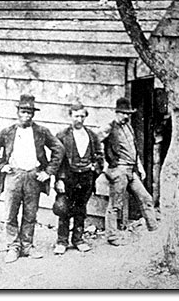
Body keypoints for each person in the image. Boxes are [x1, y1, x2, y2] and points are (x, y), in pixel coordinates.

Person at [0, 94, 65, 263]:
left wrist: (48, 172)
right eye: (23, 112)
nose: (26, 116)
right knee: (10, 214)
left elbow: (58, 149)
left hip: (33, 176)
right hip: (13, 176)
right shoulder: (8, 132)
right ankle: (13, 247)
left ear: (33, 114)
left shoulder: (41, 131)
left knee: (30, 214)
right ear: (18, 112)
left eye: (30, 112)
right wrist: (1, 166)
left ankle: (27, 246)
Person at [97, 97, 158, 246]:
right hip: (119, 170)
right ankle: (112, 237)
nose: (126, 116)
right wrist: (105, 166)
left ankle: (154, 230)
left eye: (128, 113)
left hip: (131, 170)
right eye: (123, 113)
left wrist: (140, 168)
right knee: (115, 205)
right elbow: (95, 143)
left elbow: (133, 150)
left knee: (146, 198)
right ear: (116, 112)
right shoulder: (109, 127)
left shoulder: (128, 127)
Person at [53, 101, 104, 255]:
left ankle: (78, 239)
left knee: (80, 209)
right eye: (76, 116)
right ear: (70, 116)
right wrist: (59, 179)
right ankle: (62, 241)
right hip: (68, 177)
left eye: (82, 116)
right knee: (64, 209)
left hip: (86, 177)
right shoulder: (62, 136)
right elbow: (57, 159)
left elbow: (99, 156)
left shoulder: (91, 135)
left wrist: (96, 168)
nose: (79, 119)